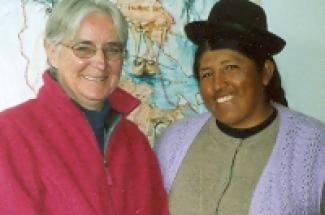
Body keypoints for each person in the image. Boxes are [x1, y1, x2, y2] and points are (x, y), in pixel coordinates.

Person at [155, 0, 325, 215]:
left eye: (231, 67)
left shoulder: (317, 149)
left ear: (265, 72)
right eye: (207, 74)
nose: (218, 84)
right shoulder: (172, 142)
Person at [0, 0, 168, 214]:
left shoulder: (135, 142)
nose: (100, 62)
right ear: (52, 53)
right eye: (83, 49)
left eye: (112, 49)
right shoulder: (10, 134)